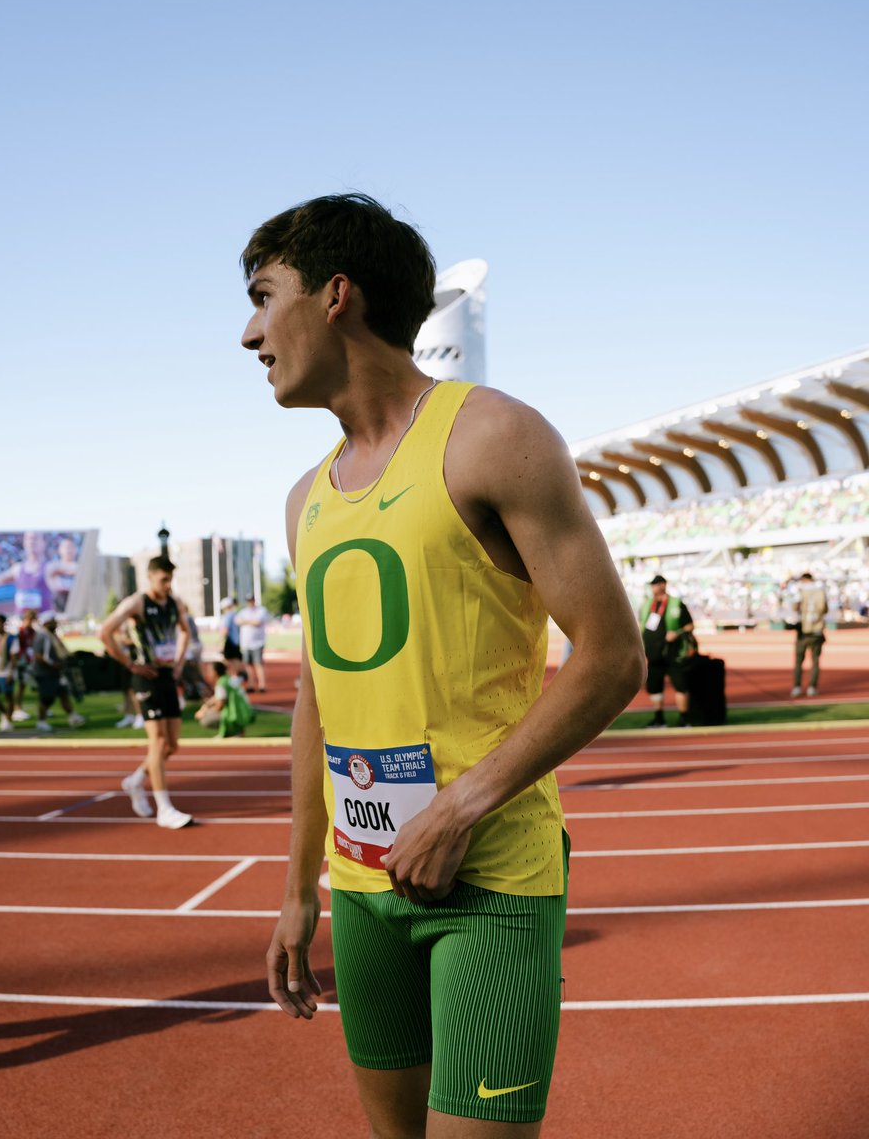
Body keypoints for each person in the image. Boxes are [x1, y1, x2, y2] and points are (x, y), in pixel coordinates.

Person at [241, 193, 644, 1137]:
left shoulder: (494, 436)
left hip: (489, 881)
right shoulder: (305, 499)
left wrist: (459, 809)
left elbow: (613, 655)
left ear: (336, 294)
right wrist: (299, 887)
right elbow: (317, 700)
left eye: (263, 298)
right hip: (362, 887)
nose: (250, 334)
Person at [99, 556, 193, 829]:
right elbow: (105, 632)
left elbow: (185, 631)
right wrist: (130, 664)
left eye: (170, 579)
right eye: (163, 579)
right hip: (146, 678)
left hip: (167, 675)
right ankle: (165, 808)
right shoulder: (136, 603)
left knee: (172, 745)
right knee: (158, 742)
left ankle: (136, 780)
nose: (168, 584)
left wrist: (179, 663)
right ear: (150, 576)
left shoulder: (175, 603)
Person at [639, 574, 696, 727]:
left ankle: (684, 718)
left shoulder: (676, 604)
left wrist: (677, 633)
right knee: (654, 687)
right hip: (654, 654)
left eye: (656, 584)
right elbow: (642, 626)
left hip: (673, 653)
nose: (653, 587)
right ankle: (659, 719)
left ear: (663, 585)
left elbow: (690, 625)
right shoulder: (647, 605)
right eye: (652, 585)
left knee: (680, 685)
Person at [32, 613, 85, 732]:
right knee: (47, 697)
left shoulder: (51, 635)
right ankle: (41, 721)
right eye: (53, 621)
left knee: (63, 694)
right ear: (46, 623)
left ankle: (72, 716)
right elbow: (38, 656)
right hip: (45, 672)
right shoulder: (42, 636)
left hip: (56, 672)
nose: (55, 624)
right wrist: (53, 664)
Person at [790, 572, 829, 698]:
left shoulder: (800, 591)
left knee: (799, 661)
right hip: (817, 631)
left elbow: (795, 608)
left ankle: (797, 687)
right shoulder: (821, 591)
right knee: (815, 661)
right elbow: (825, 609)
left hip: (804, 631)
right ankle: (812, 687)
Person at [194, 660, 255, 738]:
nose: (208, 673)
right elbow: (217, 697)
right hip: (246, 712)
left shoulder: (221, 683)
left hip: (237, 715)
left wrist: (204, 713)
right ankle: (237, 731)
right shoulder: (228, 679)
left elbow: (219, 705)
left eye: (210, 671)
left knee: (205, 720)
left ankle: (233, 732)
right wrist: (206, 706)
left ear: (215, 672)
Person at [234, 594, 270, 692]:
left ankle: (262, 685)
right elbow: (237, 621)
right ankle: (251, 685)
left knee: (258, 664)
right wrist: (250, 622)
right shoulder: (243, 611)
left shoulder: (261, 610)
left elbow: (257, 622)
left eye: (251, 600)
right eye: (248, 601)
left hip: (257, 642)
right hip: (246, 643)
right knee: (248, 665)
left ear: (254, 600)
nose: (250, 602)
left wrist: (245, 621)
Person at [10, 609, 37, 722]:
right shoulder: (20, 631)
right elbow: (17, 649)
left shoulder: (32, 631)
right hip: (23, 661)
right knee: (21, 686)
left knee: (36, 684)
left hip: (31, 660)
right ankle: (17, 709)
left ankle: (42, 707)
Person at [220, 598, 243, 671]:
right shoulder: (235, 614)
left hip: (230, 640)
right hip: (236, 640)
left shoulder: (228, 615)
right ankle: (238, 673)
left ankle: (233, 673)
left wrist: (221, 641)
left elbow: (225, 629)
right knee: (236, 658)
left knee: (228, 659)